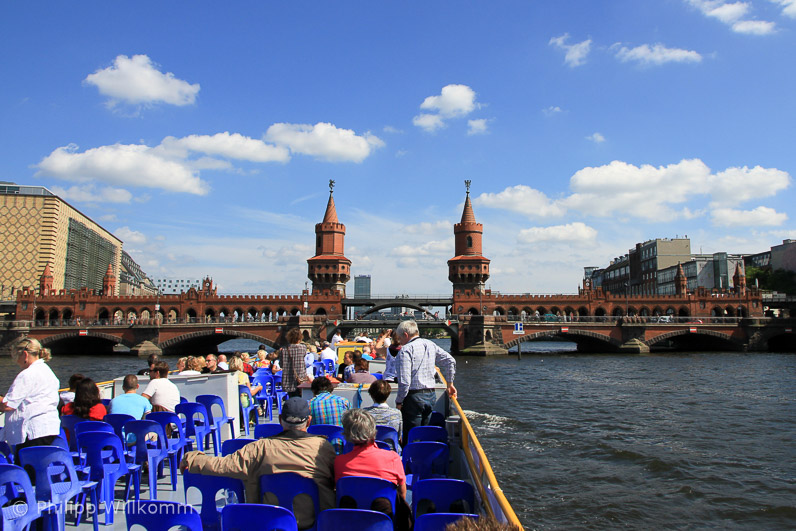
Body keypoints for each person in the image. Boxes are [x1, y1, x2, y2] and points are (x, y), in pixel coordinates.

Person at [181, 397, 336, 529]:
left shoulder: (260, 448)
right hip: (313, 523)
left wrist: (192, 458)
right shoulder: (324, 449)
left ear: (281, 420)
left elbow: (222, 465)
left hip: (270, 523)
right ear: (309, 421)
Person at [394, 320, 456, 442]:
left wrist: (399, 401)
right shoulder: (430, 344)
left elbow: (405, 382)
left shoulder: (405, 350)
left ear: (406, 335)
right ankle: (423, 458)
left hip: (413, 398)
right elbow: (450, 361)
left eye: (400, 338)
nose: (399, 341)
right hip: (430, 396)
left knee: (412, 437)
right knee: (424, 434)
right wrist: (450, 384)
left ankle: (412, 459)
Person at [334, 409, 407, 511]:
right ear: (373, 430)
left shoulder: (339, 462)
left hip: (350, 521)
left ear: (347, 434)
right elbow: (402, 492)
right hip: (384, 522)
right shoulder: (393, 458)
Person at [0, 338, 60, 455]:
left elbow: (8, 405)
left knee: (27, 468)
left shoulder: (27, 374)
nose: (16, 361)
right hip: (47, 428)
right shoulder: (47, 371)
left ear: (25, 354)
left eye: (16, 357)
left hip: (33, 432)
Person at [281, 328, 310, 397]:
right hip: (301, 377)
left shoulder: (284, 350)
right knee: (301, 397)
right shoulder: (303, 348)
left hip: (288, 379)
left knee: (291, 397)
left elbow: (281, 364)